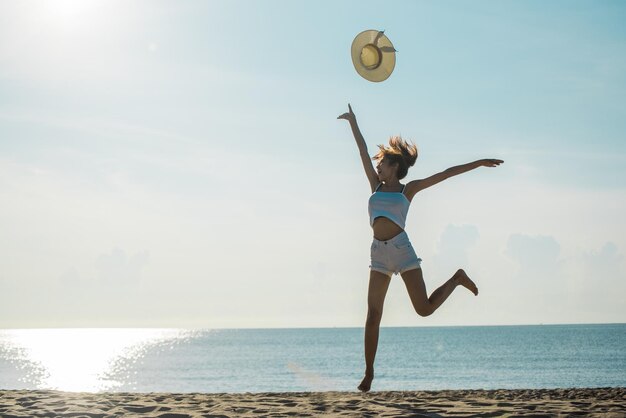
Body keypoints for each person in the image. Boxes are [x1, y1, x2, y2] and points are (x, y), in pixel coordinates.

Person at [337, 104, 503, 392]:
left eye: (383, 163)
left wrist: (478, 163)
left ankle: (457, 278)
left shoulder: (407, 190)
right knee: (372, 314)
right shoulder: (375, 186)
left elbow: (447, 173)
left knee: (424, 309)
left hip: (402, 250)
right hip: (378, 252)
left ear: (395, 167)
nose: (377, 165)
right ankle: (368, 373)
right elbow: (363, 152)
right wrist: (353, 122)